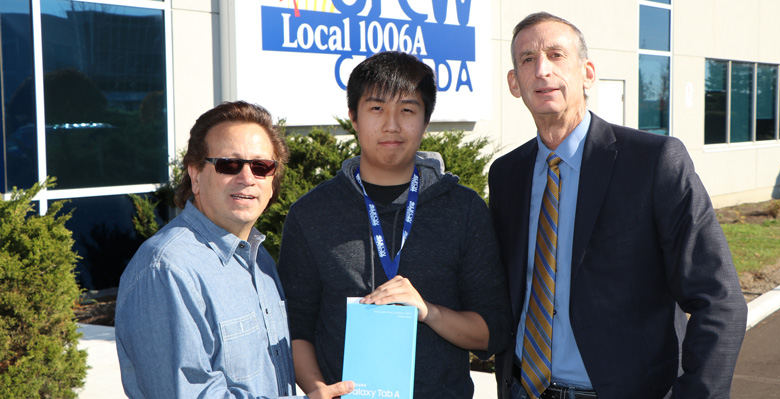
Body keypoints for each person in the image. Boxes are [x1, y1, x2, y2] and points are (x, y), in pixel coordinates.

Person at [489, 12, 747, 399]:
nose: (542, 69)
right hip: (523, 389)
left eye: (557, 55)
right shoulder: (507, 175)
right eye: (527, 59)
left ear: (587, 73)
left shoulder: (654, 161)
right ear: (514, 83)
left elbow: (719, 299)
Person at [277, 51, 512, 399]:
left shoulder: (464, 210)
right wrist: (318, 389)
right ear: (353, 118)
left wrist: (429, 312)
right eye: (376, 108)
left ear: (426, 120)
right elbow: (295, 326)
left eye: (407, 109)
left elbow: (493, 332)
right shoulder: (311, 214)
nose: (391, 124)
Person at [114, 101, 354, 399]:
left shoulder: (258, 259)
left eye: (261, 166)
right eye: (229, 164)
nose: (247, 177)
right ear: (196, 174)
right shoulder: (167, 269)